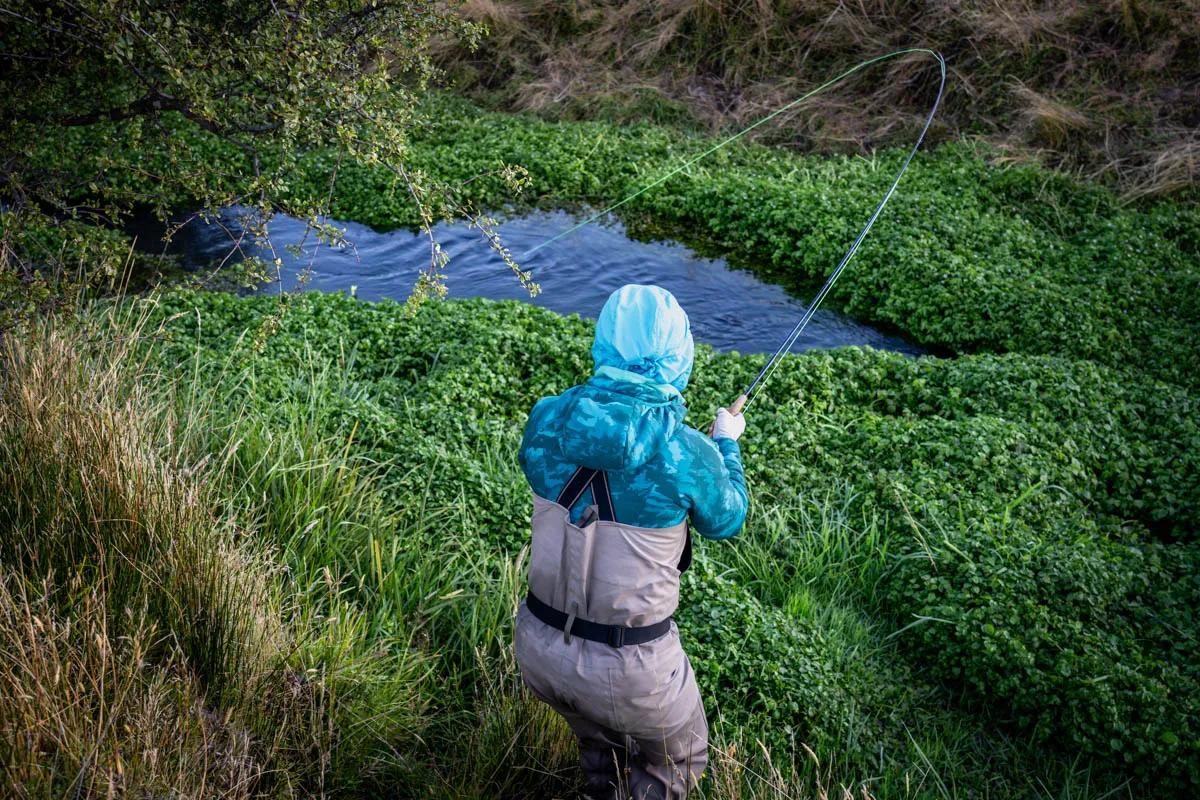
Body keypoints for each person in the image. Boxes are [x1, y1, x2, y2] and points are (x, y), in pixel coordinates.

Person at [515, 284, 750, 799]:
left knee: (599, 740)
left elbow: (545, 460)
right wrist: (726, 442)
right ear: (678, 354)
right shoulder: (686, 452)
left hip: (537, 647)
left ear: (604, 344)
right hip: (634, 670)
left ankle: (600, 783)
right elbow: (728, 518)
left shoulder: (545, 419)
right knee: (681, 760)